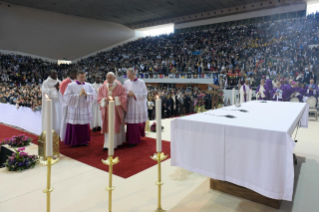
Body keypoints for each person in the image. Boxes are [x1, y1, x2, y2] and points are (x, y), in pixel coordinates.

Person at [63, 70, 96, 147]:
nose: (82, 78)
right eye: (81, 77)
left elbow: (94, 95)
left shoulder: (89, 85)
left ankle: (84, 141)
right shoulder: (71, 85)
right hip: (75, 109)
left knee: (84, 125)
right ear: (77, 77)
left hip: (84, 108)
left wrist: (86, 94)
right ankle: (74, 142)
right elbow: (66, 97)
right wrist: (78, 95)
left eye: (84, 77)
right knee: (75, 125)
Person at [97, 72, 127, 151]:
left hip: (116, 110)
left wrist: (116, 99)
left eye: (110, 77)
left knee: (115, 125)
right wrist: (104, 99)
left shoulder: (120, 87)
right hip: (106, 109)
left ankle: (117, 143)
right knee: (108, 126)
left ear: (114, 78)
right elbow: (99, 98)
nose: (108, 79)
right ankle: (107, 144)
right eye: (107, 78)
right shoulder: (103, 87)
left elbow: (124, 97)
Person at [124, 68, 148, 147]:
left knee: (136, 124)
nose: (129, 77)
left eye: (130, 75)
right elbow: (124, 92)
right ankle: (130, 138)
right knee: (130, 124)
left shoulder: (141, 82)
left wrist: (134, 95)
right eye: (127, 75)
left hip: (138, 106)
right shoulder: (126, 82)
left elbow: (144, 94)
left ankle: (135, 140)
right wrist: (127, 93)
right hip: (130, 105)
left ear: (134, 74)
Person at [41, 70, 62, 136]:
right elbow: (45, 93)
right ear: (50, 74)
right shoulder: (46, 82)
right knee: (50, 118)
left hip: (58, 103)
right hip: (50, 104)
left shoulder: (59, 82)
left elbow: (62, 93)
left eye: (56, 73)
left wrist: (58, 89)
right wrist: (54, 88)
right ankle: (48, 134)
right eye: (53, 74)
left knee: (58, 118)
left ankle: (58, 133)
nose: (55, 75)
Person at [59, 69, 77, 142]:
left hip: (75, 105)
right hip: (67, 105)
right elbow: (61, 94)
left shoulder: (76, 82)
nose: (76, 75)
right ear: (71, 73)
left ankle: (73, 137)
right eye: (75, 73)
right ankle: (64, 136)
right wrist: (66, 104)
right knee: (65, 120)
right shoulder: (64, 82)